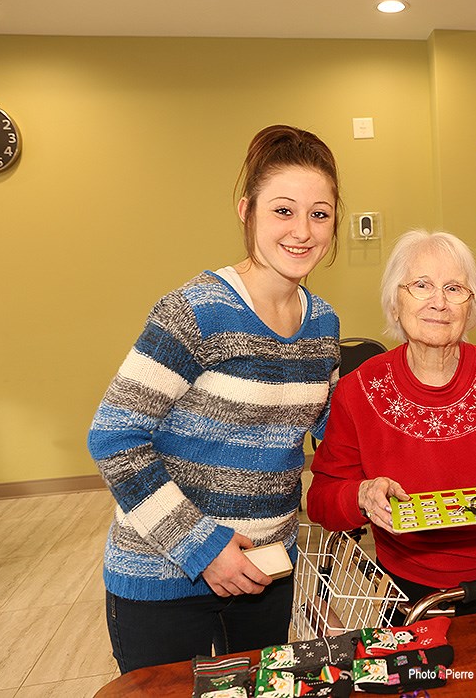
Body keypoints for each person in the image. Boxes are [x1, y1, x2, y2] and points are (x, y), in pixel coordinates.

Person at [87, 125, 342, 673]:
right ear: (247, 211)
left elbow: (331, 431)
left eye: (319, 214)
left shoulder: (323, 323)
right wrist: (203, 549)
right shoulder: (196, 310)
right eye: (283, 210)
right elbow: (114, 437)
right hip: (165, 575)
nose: (302, 231)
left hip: (266, 572)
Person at [307, 230, 476, 611]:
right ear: (395, 302)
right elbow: (322, 498)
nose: (439, 302)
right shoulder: (358, 391)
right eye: (421, 285)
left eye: (454, 289)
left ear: (471, 308)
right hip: (409, 589)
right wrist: (361, 495)